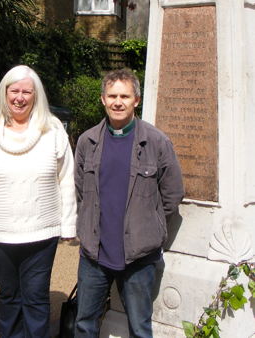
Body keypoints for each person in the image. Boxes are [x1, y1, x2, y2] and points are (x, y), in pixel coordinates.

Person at [74, 69, 184, 338]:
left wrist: (148, 224)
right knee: (84, 324)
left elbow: (172, 195)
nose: (118, 102)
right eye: (112, 95)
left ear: (137, 100)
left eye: (125, 95)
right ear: (103, 99)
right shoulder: (87, 141)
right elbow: (81, 192)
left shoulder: (157, 142)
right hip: (95, 255)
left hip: (139, 256)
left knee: (140, 327)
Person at [0, 65, 77, 338]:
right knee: (8, 297)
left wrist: (68, 227)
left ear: (36, 95)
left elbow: (66, 179)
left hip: (42, 233)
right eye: (14, 91)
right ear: (4, 93)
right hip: (0, 234)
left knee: (36, 299)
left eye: (26, 92)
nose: (20, 97)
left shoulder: (52, 130)